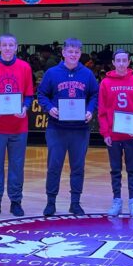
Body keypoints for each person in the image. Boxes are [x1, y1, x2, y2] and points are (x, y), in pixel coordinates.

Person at [36, 38, 99, 216]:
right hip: (57, 128)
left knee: (78, 167)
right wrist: (49, 108)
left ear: (80, 54)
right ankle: (51, 202)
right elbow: (41, 94)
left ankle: (75, 203)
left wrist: (89, 110)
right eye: (70, 51)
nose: (73, 55)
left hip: (80, 129)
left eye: (76, 52)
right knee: (54, 166)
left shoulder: (87, 74)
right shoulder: (52, 73)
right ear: (63, 53)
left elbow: (95, 94)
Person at [0, 33, 34, 217]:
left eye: (11, 45)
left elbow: (28, 95)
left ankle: (16, 201)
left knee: (17, 166)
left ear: (16, 47)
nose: (8, 48)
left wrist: (25, 107)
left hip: (19, 126)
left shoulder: (25, 67)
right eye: (5, 45)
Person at [97, 48, 133, 217]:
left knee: (132, 169)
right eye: (118, 60)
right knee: (115, 170)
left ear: (128, 62)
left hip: (132, 135)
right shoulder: (105, 83)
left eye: (124, 60)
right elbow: (102, 111)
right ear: (113, 62)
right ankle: (117, 199)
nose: (121, 64)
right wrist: (106, 133)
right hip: (114, 135)